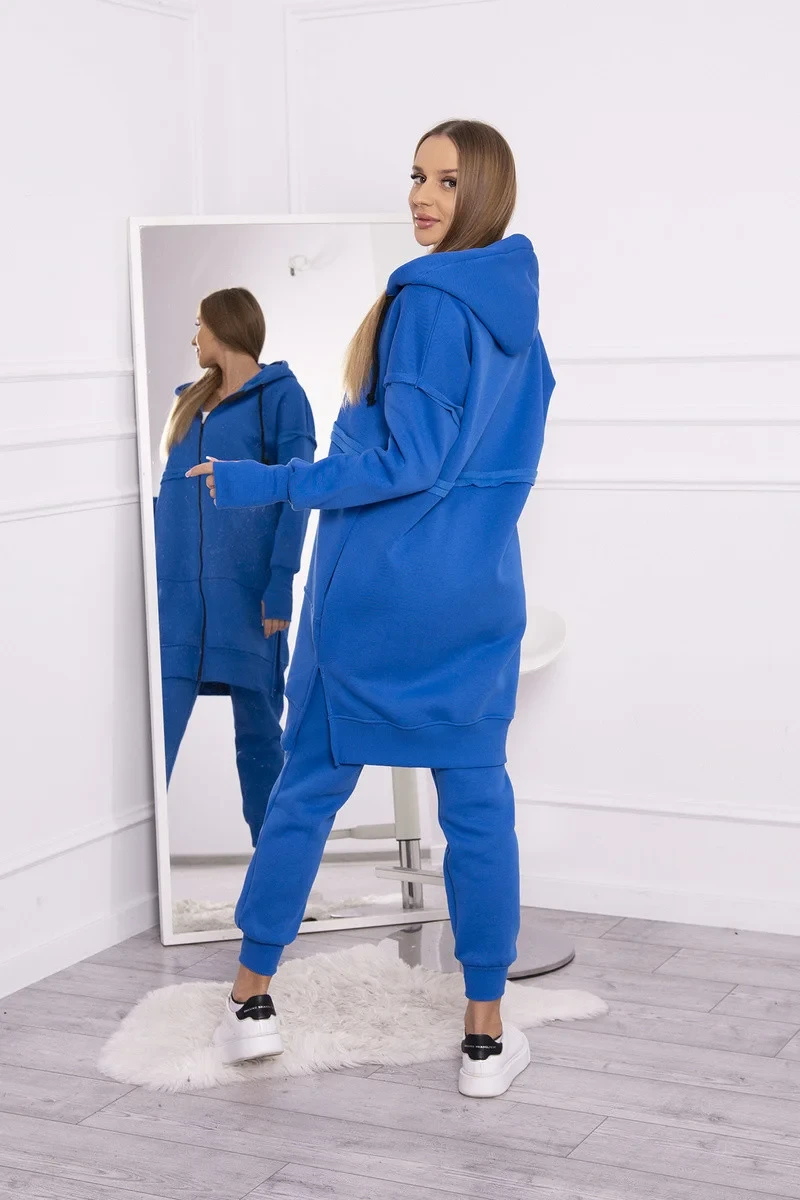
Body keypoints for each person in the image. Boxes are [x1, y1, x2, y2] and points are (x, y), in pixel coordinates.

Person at [189, 122, 555, 1097]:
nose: (422, 197)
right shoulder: (521, 320)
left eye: (447, 181)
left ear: (486, 192)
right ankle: (484, 1039)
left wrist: (268, 482)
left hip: (379, 597)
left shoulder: (425, 299)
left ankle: (249, 1005)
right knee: (476, 807)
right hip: (476, 596)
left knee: (307, 792)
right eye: (417, 176)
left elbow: (406, 462)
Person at [156, 287, 315, 846]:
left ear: (224, 327)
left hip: (250, 599)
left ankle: (273, 871)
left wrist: (280, 584)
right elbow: (169, 502)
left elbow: (297, 495)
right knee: (155, 740)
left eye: (199, 324)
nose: (193, 337)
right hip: (176, 604)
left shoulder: (283, 397)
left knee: (259, 741)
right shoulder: (186, 403)